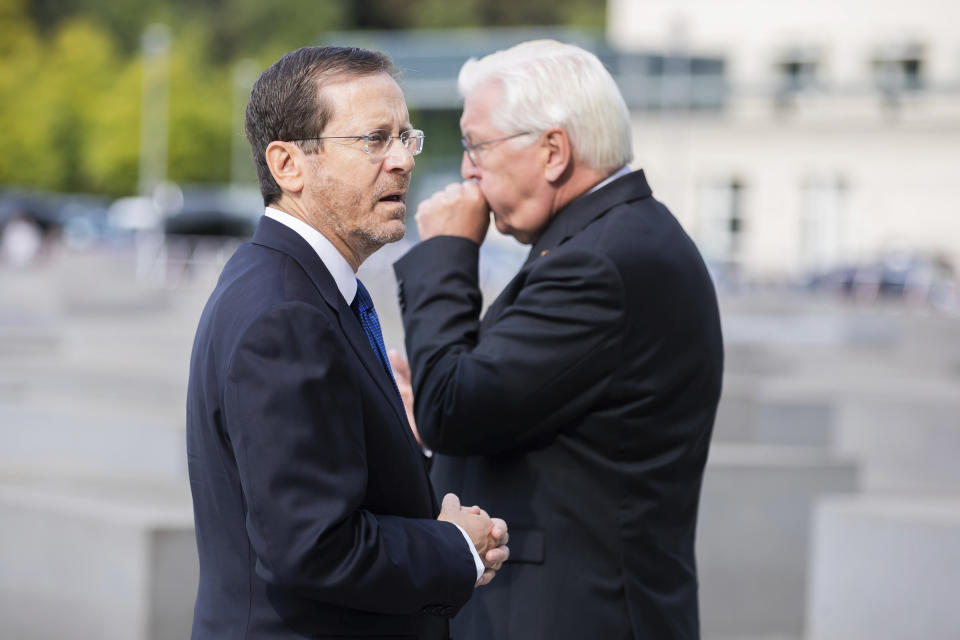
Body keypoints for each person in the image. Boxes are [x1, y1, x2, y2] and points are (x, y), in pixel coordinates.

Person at [391, 40, 723, 639]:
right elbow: (504, 414)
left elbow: (455, 409)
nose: (467, 170)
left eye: (477, 146)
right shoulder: (609, 241)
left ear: (552, 151)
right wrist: (436, 412)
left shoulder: (598, 261)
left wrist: (446, 253)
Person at [186, 46, 508, 640]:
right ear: (288, 164)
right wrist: (454, 546)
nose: (402, 161)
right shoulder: (285, 315)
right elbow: (313, 545)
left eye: (405, 137)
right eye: (373, 140)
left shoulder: (297, 288)